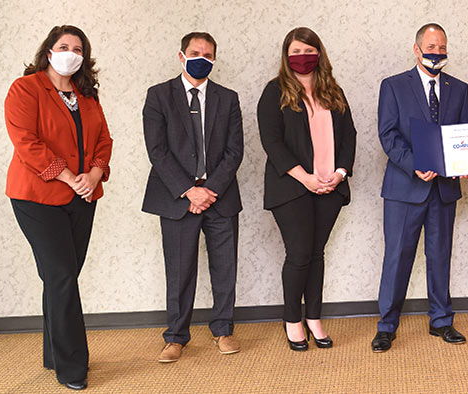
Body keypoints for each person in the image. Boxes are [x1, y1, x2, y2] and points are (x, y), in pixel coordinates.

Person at [5, 25, 113, 390]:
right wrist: (70, 176)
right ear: (48, 51)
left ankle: (54, 352)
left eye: (78, 48)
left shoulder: (87, 95)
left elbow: (103, 140)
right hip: (36, 197)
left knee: (61, 277)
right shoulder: (26, 88)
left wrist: (95, 175)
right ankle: (72, 366)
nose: (71, 52)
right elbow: (26, 143)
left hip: (82, 197)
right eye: (64, 46)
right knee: (63, 277)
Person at [142, 32, 244, 363]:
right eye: (195, 52)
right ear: (181, 56)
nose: (202, 57)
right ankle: (175, 337)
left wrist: (209, 190)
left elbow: (234, 151)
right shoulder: (158, 96)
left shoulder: (228, 98)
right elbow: (156, 150)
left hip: (221, 196)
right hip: (177, 198)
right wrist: (189, 191)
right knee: (180, 270)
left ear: (215, 59)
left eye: (209, 54)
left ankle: (223, 330)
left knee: (225, 267)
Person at [372, 23, 468, 353]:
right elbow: (388, 135)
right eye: (431, 47)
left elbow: (462, 135)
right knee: (397, 257)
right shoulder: (394, 86)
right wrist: (414, 163)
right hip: (404, 187)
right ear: (416, 49)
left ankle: (441, 321)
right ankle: (387, 325)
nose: (437, 53)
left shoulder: (459, 88)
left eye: (442, 47)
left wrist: (465, 165)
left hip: (443, 190)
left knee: (440, 256)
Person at [258, 27, 356, 351]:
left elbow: (349, 135)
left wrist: (340, 173)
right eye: (296, 52)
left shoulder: (333, 91)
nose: (302, 57)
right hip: (292, 188)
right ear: (287, 57)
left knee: (316, 254)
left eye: (308, 51)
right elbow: (271, 142)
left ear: (319, 53)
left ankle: (314, 317)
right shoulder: (275, 92)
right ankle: (292, 320)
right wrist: (306, 177)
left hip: (330, 186)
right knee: (299, 254)